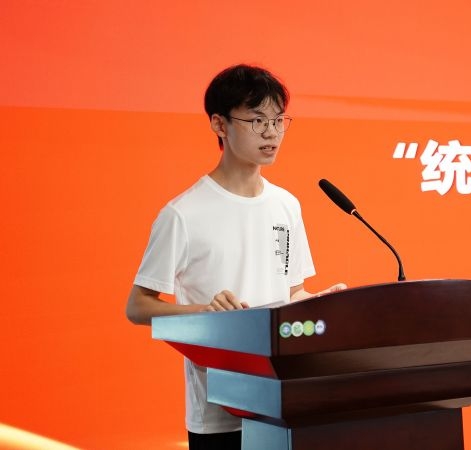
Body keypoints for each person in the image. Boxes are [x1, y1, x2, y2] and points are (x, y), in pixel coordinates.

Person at [125, 63, 345, 449]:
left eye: (278, 120)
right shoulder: (183, 213)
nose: (271, 132)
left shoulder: (286, 205)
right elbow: (137, 307)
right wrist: (206, 312)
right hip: (220, 412)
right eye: (257, 120)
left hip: (285, 401)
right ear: (219, 124)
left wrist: (320, 304)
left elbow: (291, 294)